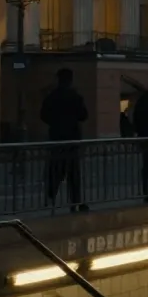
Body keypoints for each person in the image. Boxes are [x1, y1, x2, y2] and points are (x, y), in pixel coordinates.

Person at [40, 67, 89, 212]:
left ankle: (51, 199)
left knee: (56, 170)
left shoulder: (51, 96)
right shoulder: (75, 97)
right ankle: (75, 202)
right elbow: (83, 115)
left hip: (56, 138)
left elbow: (43, 115)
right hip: (72, 139)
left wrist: (55, 122)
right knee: (73, 173)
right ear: (70, 80)